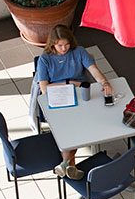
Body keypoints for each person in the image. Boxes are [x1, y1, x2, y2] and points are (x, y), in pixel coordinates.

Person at [33, 24, 114, 180]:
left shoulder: (79, 52)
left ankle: (66, 165)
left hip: (78, 95)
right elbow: (44, 89)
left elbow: (94, 70)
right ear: (52, 44)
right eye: (60, 45)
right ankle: (69, 165)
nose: (64, 48)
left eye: (66, 44)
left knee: (76, 127)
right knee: (72, 129)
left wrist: (104, 83)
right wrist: (70, 82)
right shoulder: (45, 59)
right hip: (57, 97)